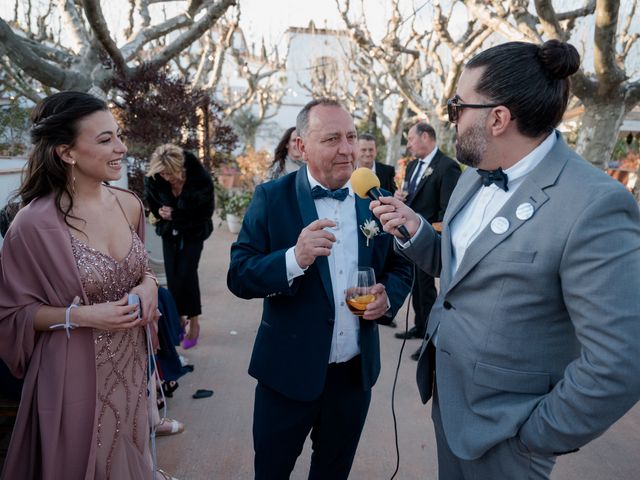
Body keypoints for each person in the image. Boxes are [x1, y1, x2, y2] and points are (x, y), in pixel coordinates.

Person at [371, 40, 640, 479]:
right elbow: (463, 269)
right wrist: (416, 230)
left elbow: (621, 363)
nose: (450, 117)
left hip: (509, 437)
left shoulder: (595, 205)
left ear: (498, 118)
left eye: (458, 106)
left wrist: (534, 436)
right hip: (451, 404)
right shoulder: (473, 176)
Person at [227, 98, 412, 479]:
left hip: (352, 378)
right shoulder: (271, 198)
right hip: (287, 375)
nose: (348, 149)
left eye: (351, 136)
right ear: (301, 145)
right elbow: (239, 274)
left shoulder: (373, 197)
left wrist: (387, 296)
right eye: (332, 139)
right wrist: (294, 258)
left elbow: (401, 262)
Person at [0, 91, 167, 479]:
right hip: (72, 374)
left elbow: (140, 270)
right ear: (67, 152)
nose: (121, 148)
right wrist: (84, 316)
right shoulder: (33, 224)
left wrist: (149, 286)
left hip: (130, 366)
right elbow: (12, 313)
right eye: (105, 139)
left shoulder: (129, 204)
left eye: (118, 135)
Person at [393, 122, 460, 360]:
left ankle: (430, 341)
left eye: (411, 139)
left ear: (425, 136)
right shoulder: (411, 167)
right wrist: (400, 197)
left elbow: (447, 210)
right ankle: (420, 326)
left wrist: (433, 236)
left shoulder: (447, 166)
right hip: (410, 239)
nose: (409, 144)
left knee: (428, 291)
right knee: (417, 288)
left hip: (430, 239)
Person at [145, 144, 214, 349]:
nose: (167, 177)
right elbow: (154, 206)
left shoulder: (199, 179)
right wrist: (161, 213)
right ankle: (178, 319)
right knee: (173, 276)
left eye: (171, 173)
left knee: (187, 273)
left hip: (194, 232)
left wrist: (177, 214)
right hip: (169, 232)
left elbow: (205, 213)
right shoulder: (154, 178)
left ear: (180, 167)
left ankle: (194, 322)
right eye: (163, 173)